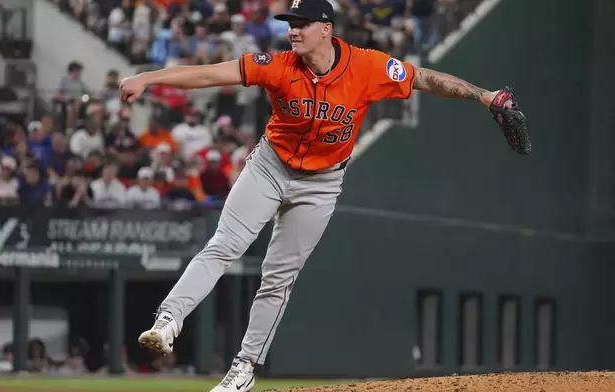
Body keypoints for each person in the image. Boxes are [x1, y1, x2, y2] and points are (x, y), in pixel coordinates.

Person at [120, 1, 511, 391]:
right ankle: (168, 319)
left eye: (302, 23)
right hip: (269, 167)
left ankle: (243, 370)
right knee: (225, 245)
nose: (293, 30)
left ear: (326, 28)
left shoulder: (368, 67)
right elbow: (210, 74)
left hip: (322, 183)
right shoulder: (277, 65)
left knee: (278, 278)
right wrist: (150, 78)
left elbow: (424, 78)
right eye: (290, 23)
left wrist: (483, 96)